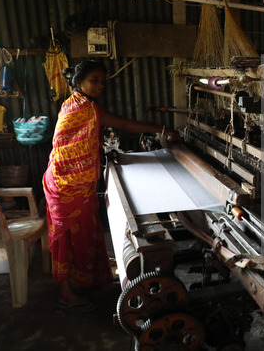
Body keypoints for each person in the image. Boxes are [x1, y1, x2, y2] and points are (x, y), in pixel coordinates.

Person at [43, 60, 177, 313]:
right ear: (79, 82)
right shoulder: (83, 109)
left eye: (102, 81)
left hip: (70, 182)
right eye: (94, 80)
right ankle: (66, 294)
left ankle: (86, 281)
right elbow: (124, 124)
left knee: (85, 237)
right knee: (71, 242)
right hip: (67, 186)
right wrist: (163, 129)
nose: (100, 85)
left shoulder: (79, 104)